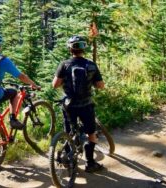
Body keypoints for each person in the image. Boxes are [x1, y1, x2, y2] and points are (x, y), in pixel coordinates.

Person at [52, 35, 106, 173]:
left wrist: (65, 81)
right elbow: (100, 85)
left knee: (69, 131)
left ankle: (69, 160)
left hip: (69, 105)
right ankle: (90, 163)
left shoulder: (64, 64)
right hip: (86, 105)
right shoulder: (91, 65)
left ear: (70, 49)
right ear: (84, 48)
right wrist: (91, 82)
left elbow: (55, 85)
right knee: (91, 134)